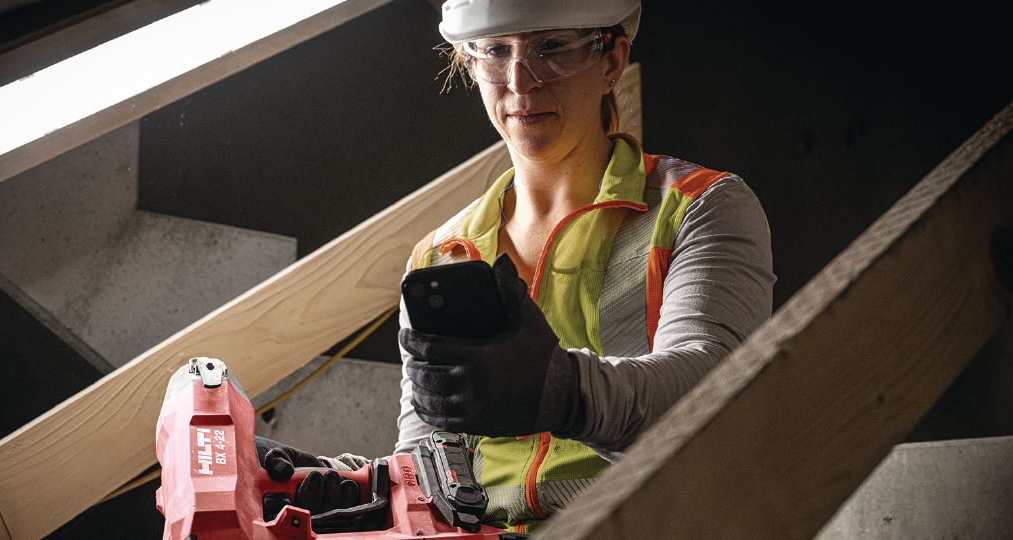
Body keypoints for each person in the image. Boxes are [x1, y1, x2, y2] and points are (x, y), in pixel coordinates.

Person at [259, 0, 775, 533]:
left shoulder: (700, 208)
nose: (520, 81)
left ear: (612, 60)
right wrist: (351, 481)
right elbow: (428, 458)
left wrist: (563, 393)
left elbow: (715, 392)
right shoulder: (442, 253)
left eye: (551, 48)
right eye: (496, 51)